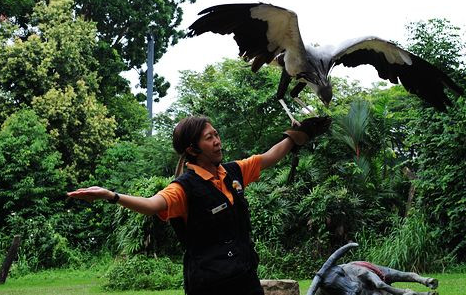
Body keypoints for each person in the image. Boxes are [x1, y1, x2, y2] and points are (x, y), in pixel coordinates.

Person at [67, 115, 332, 295]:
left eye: (216, 135)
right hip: (209, 283)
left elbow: (267, 158)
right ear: (193, 149)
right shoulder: (183, 187)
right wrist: (110, 195)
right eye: (209, 138)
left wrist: (297, 136)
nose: (217, 141)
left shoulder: (232, 172)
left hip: (244, 276)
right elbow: (152, 205)